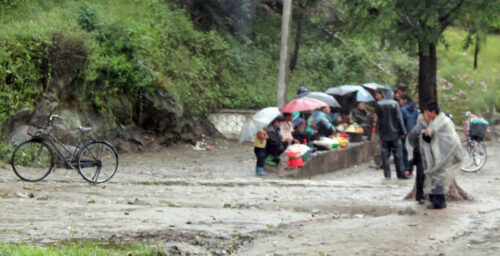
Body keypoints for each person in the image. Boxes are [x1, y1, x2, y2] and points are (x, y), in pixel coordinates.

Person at [420, 102, 463, 209]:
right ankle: (437, 201)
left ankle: (439, 203)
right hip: (443, 152)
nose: (427, 115)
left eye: (428, 113)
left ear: (433, 112)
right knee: (438, 175)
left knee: (440, 176)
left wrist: (427, 132)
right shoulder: (442, 120)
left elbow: (428, 134)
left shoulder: (441, 122)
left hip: (447, 153)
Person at [375, 87, 408, 179]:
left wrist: (378, 131)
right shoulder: (395, 104)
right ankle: (401, 174)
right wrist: (403, 131)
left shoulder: (379, 104)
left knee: (385, 155)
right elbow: (399, 118)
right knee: (398, 155)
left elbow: (379, 120)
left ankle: (387, 174)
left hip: (383, 133)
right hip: (395, 133)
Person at [407, 114, 427, 204]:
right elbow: (412, 139)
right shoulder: (419, 127)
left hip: (425, 152)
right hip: (421, 153)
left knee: (421, 174)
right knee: (421, 174)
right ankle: (420, 196)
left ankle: (421, 196)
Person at [399, 93, 419, 176]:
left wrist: (401, 132)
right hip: (414, 132)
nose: (399, 101)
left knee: (404, 151)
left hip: (405, 133)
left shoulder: (402, 109)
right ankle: (410, 169)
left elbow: (401, 122)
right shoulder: (415, 109)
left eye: (400, 100)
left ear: (405, 100)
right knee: (412, 151)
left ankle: (406, 168)